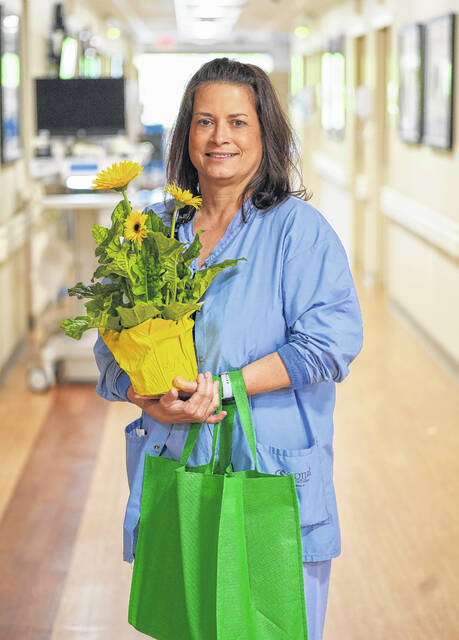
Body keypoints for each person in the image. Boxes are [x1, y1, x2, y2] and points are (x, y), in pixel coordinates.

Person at [94, 57, 363, 640]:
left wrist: (228, 386)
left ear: (265, 133)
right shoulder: (154, 228)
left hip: (268, 475)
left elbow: (331, 343)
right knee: (183, 625)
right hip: (176, 470)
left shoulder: (298, 231)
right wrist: (149, 399)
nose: (221, 138)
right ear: (185, 135)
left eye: (239, 122)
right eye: (205, 121)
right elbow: (110, 346)